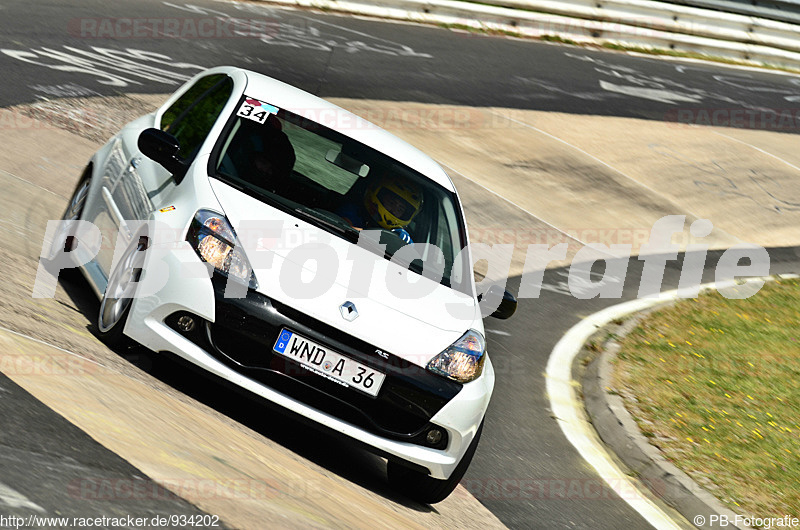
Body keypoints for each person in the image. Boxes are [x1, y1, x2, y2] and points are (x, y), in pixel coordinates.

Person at [339, 176, 423, 244]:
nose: (393, 210)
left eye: (400, 209)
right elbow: (344, 227)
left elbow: (409, 257)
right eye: (391, 202)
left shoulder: (401, 236)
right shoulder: (354, 211)